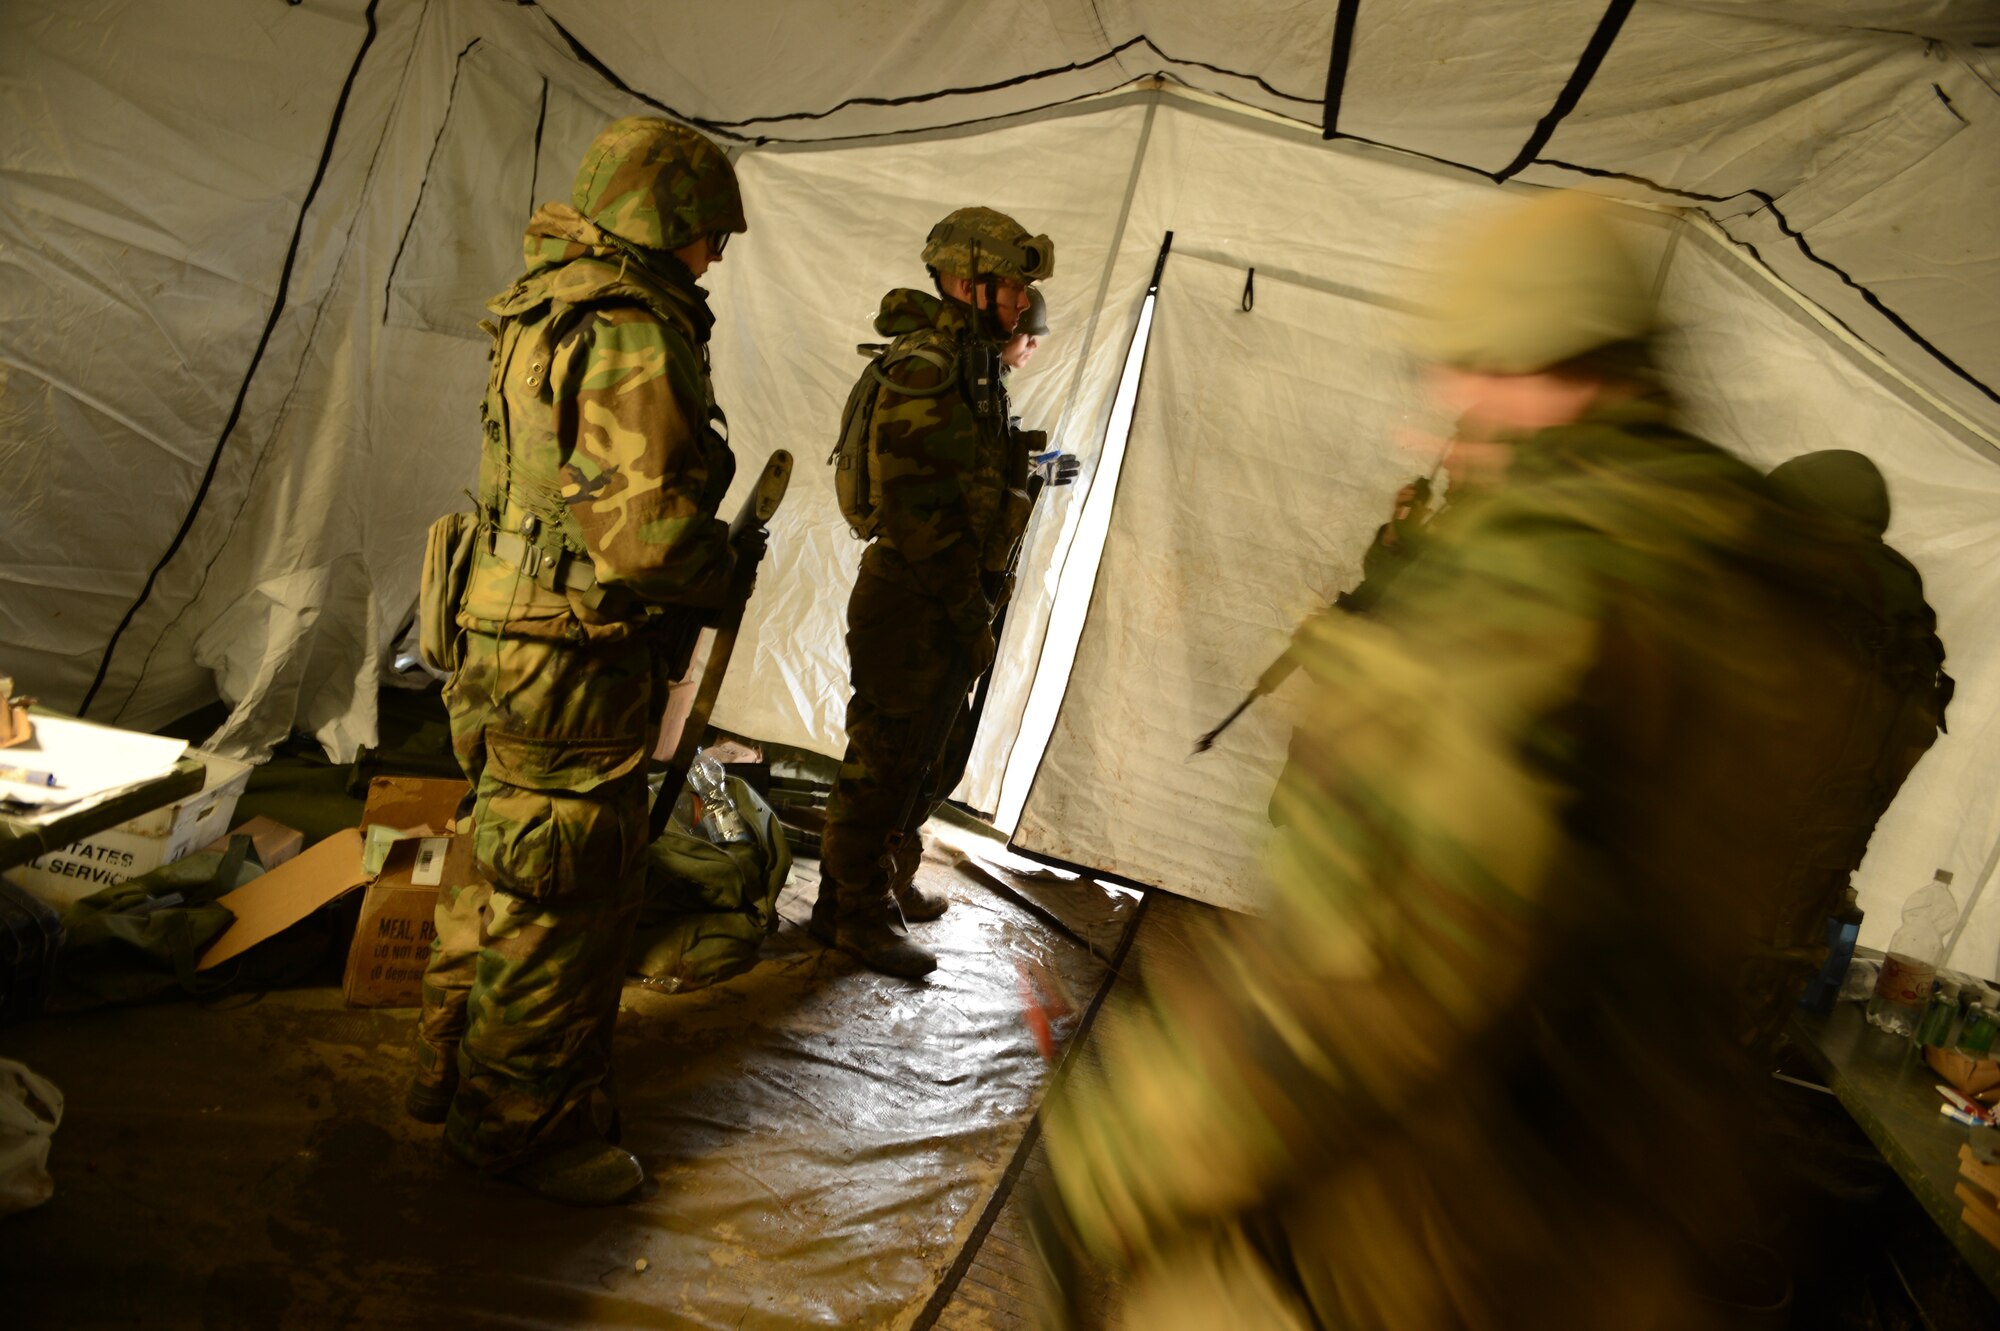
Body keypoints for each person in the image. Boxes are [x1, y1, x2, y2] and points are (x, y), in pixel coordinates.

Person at [1034, 190, 1894, 1328]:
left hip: (1429, 1228)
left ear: (1547, 360)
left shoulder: (1536, 580)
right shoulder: (1757, 578)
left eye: (1471, 372)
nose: (1434, 420)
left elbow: (1373, 980)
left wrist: (1110, 1161)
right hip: (1634, 1228)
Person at [405, 117, 750, 1205]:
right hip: (570, 655)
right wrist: (720, 567)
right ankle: (519, 1127)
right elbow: (641, 538)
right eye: (707, 233)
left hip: (498, 629)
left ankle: (447, 1065)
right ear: (671, 220)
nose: (715, 256)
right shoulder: (633, 326)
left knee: (502, 855)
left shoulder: (542, 302)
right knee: (561, 889)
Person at [812, 206, 1055, 978]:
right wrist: (964, 611)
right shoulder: (927, 364)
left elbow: (970, 489)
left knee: (923, 755)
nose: (1023, 304)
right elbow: (919, 514)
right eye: (1014, 287)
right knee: (883, 756)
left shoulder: (972, 363)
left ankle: (876, 881)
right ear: (966, 281)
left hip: (942, 592)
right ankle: (850, 913)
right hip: (911, 594)